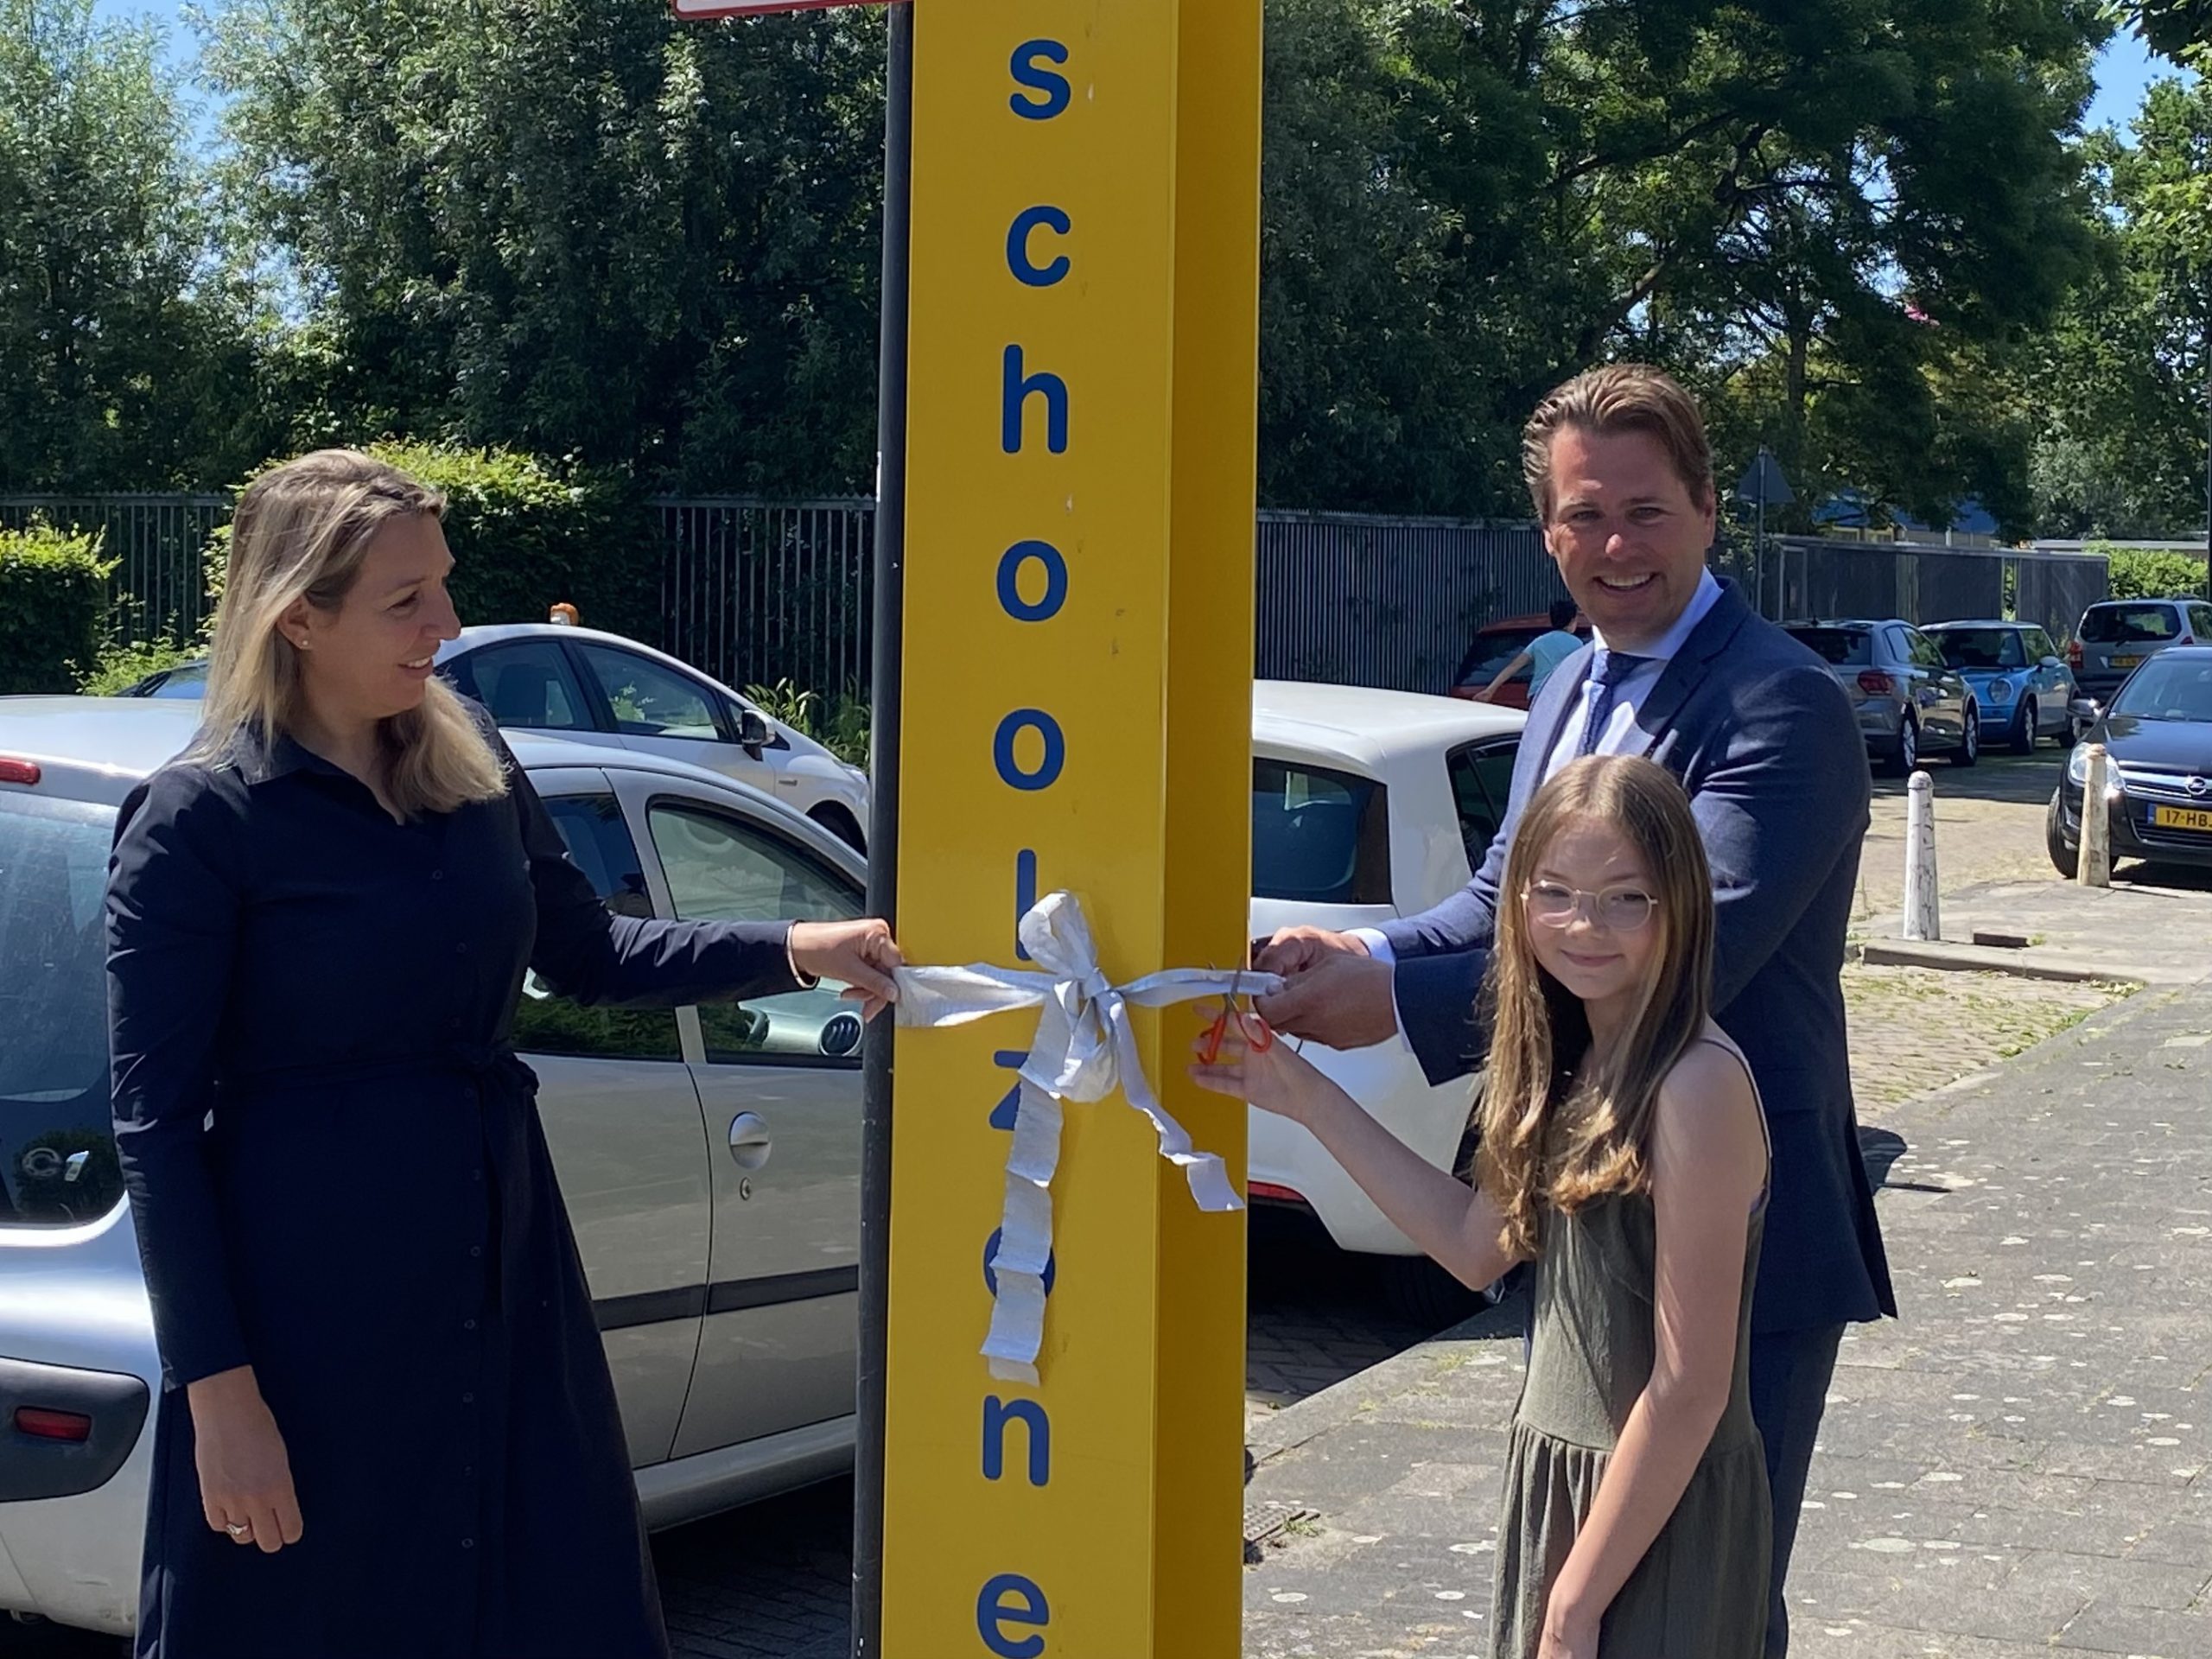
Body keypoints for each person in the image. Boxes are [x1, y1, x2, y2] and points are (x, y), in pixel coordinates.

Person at [106, 449, 903, 1658]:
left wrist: (797, 943)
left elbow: (591, 953)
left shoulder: (465, 748)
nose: (448, 622)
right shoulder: (201, 819)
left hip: (501, 1268)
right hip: (312, 1314)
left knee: (533, 1601)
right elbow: (155, 1126)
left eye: (443, 584)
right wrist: (221, 1398)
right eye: (406, 600)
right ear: (299, 618)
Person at [1255, 365, 1891, 1657]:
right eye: (1584, 515)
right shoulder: (1564, 687)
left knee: (1697, 1606)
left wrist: (1384, 1005)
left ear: (1713, 511)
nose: (1615, 546)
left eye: (1646, 512)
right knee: (1585, 1592)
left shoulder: (1786, 707)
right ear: (1546, 529)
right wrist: (1354, 949)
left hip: (1741, 1232)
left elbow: (1664, 957)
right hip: (1584, 1211)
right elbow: (1503, 901)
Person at [1200, 756, 1771, 1659]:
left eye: (1626, 898)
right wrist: (1300, 1092)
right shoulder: (1568, 1052)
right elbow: (1474, 1247)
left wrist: (1575, 1604)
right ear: (1516, 903)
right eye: (1555, 892)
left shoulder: (1693, 1082)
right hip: (1561, 1489)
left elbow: (1689, 1386)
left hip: (1651, 1514)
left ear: (1681, 905)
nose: (1584, 926)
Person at [1473, 598, 1584, 703]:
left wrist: (1490, 690)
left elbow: (1514, 666)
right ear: (1572, 620)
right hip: (1564, 694)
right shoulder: (1578, 644)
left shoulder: (1539, 642)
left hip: (1538, 693)